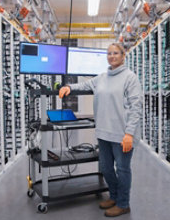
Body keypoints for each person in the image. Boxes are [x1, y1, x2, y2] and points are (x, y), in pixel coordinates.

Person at [59, 43, 143, 217]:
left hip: (122, 134)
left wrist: (129, 133)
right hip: (104, 132)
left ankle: (123, 203)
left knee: (122, 169)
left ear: (123, 55)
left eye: (115, 53)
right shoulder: (102, 77)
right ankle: (113, 196)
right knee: (105, 168)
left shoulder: (130, 78)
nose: (112, 56)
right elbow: (85, 85)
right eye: (109, 53)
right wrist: (69, 87)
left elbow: (136, 107)